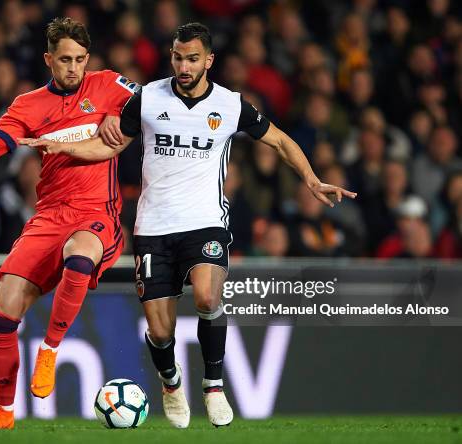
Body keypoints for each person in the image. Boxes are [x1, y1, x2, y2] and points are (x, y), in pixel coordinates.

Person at [22, 22, 356, 428]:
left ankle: (213, 385)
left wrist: (311, 179)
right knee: (161, 331)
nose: (183, 66)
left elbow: (280, 141)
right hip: (153, 227)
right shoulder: (147, 99)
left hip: (205, 222)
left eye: (192, 58)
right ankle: (171, 380)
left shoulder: (231, 105)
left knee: (206, 298)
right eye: (178, 57)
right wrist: (63, 145)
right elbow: (109, 145)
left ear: (208, 61)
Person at [0, 17, 136, 430]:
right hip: (49, 214)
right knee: (4, 307)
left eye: (79, 59)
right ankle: (4, 412)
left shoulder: (110, 85)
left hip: (97, 213)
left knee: (80, 256)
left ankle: (50, 350)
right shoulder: (28, 104)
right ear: (48, 59)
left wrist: (122, 116)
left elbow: (148, 104)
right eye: (64, 60)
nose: (73, 68)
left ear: (88, 59)